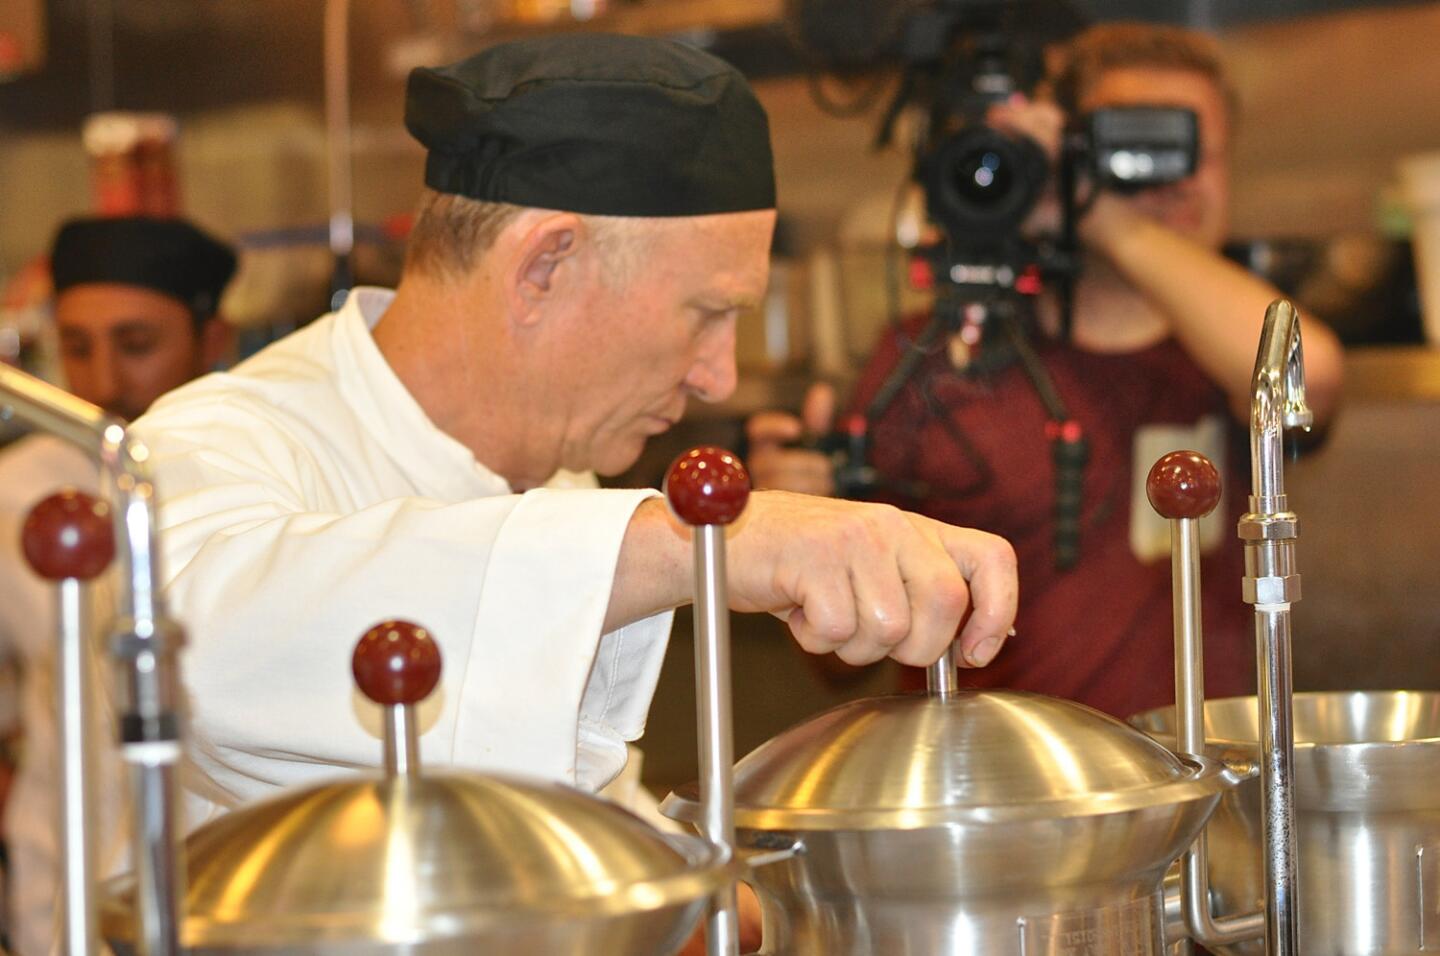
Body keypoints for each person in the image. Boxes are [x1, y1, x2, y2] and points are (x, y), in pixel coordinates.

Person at [127, 25, 1016, 889]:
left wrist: (733, 900)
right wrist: (700, 544)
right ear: (544, 266)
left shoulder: (559, 478)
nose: (719, 375)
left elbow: (555, 799)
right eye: (707, 313)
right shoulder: (208, 445)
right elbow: (198, 660)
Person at [747, 22, 1344, 718]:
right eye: (1126, 150)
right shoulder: (932, 356)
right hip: (979, 793)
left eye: (1185, 149)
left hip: (1186, 786)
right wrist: (804, 530)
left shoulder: (1224, 355)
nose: (1162, 179)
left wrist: (1100, 215)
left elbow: (1312, 378)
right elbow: (834, 664)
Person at [0, 215, 236, 955]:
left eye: (137, 345)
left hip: (227, 883)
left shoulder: (253, 481)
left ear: (214, 341)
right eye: (77, 347)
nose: (103, 381)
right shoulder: (17, 490)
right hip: (60, 886)